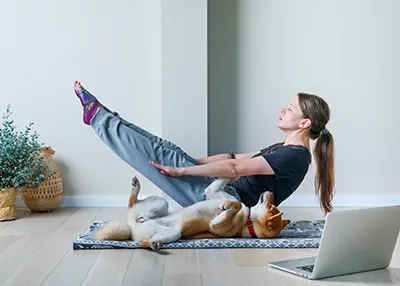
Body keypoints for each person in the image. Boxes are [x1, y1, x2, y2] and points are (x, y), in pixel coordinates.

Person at [74, 81, 335, 214]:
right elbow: (231, 157)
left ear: (304, 122)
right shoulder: (285, 148)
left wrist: (182, 171)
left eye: (289, 109)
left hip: (226, 207)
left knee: (161, 157)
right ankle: (105, 116)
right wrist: (189, 161)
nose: (282, 110)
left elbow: (236, 167)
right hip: (222, 192)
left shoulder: (295, 156)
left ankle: (99, 118)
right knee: (167, 149)